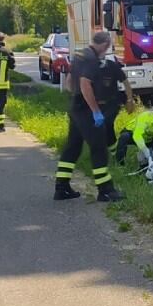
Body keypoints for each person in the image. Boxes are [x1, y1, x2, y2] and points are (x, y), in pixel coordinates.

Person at [53, 30, 124, 202]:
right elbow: (85, 84)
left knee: (73, 148)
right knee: (99, 148)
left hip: (76, 107)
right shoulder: (92, 59)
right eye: (107, 46)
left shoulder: (80, 55)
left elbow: (70, 80)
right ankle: (105, 190)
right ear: (105, 44)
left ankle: (61, 188)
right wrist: (95, 111)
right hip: (86, 110)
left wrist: (74, 98)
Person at [95, 54, 136, 147]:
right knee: (99, 128)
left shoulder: (112, 66)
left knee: (106, 123)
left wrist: (130, 100)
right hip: (96, 103)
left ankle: (113, 148)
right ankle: (111, 148)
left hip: (112, 102)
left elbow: (126, 83)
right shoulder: (89, 68)